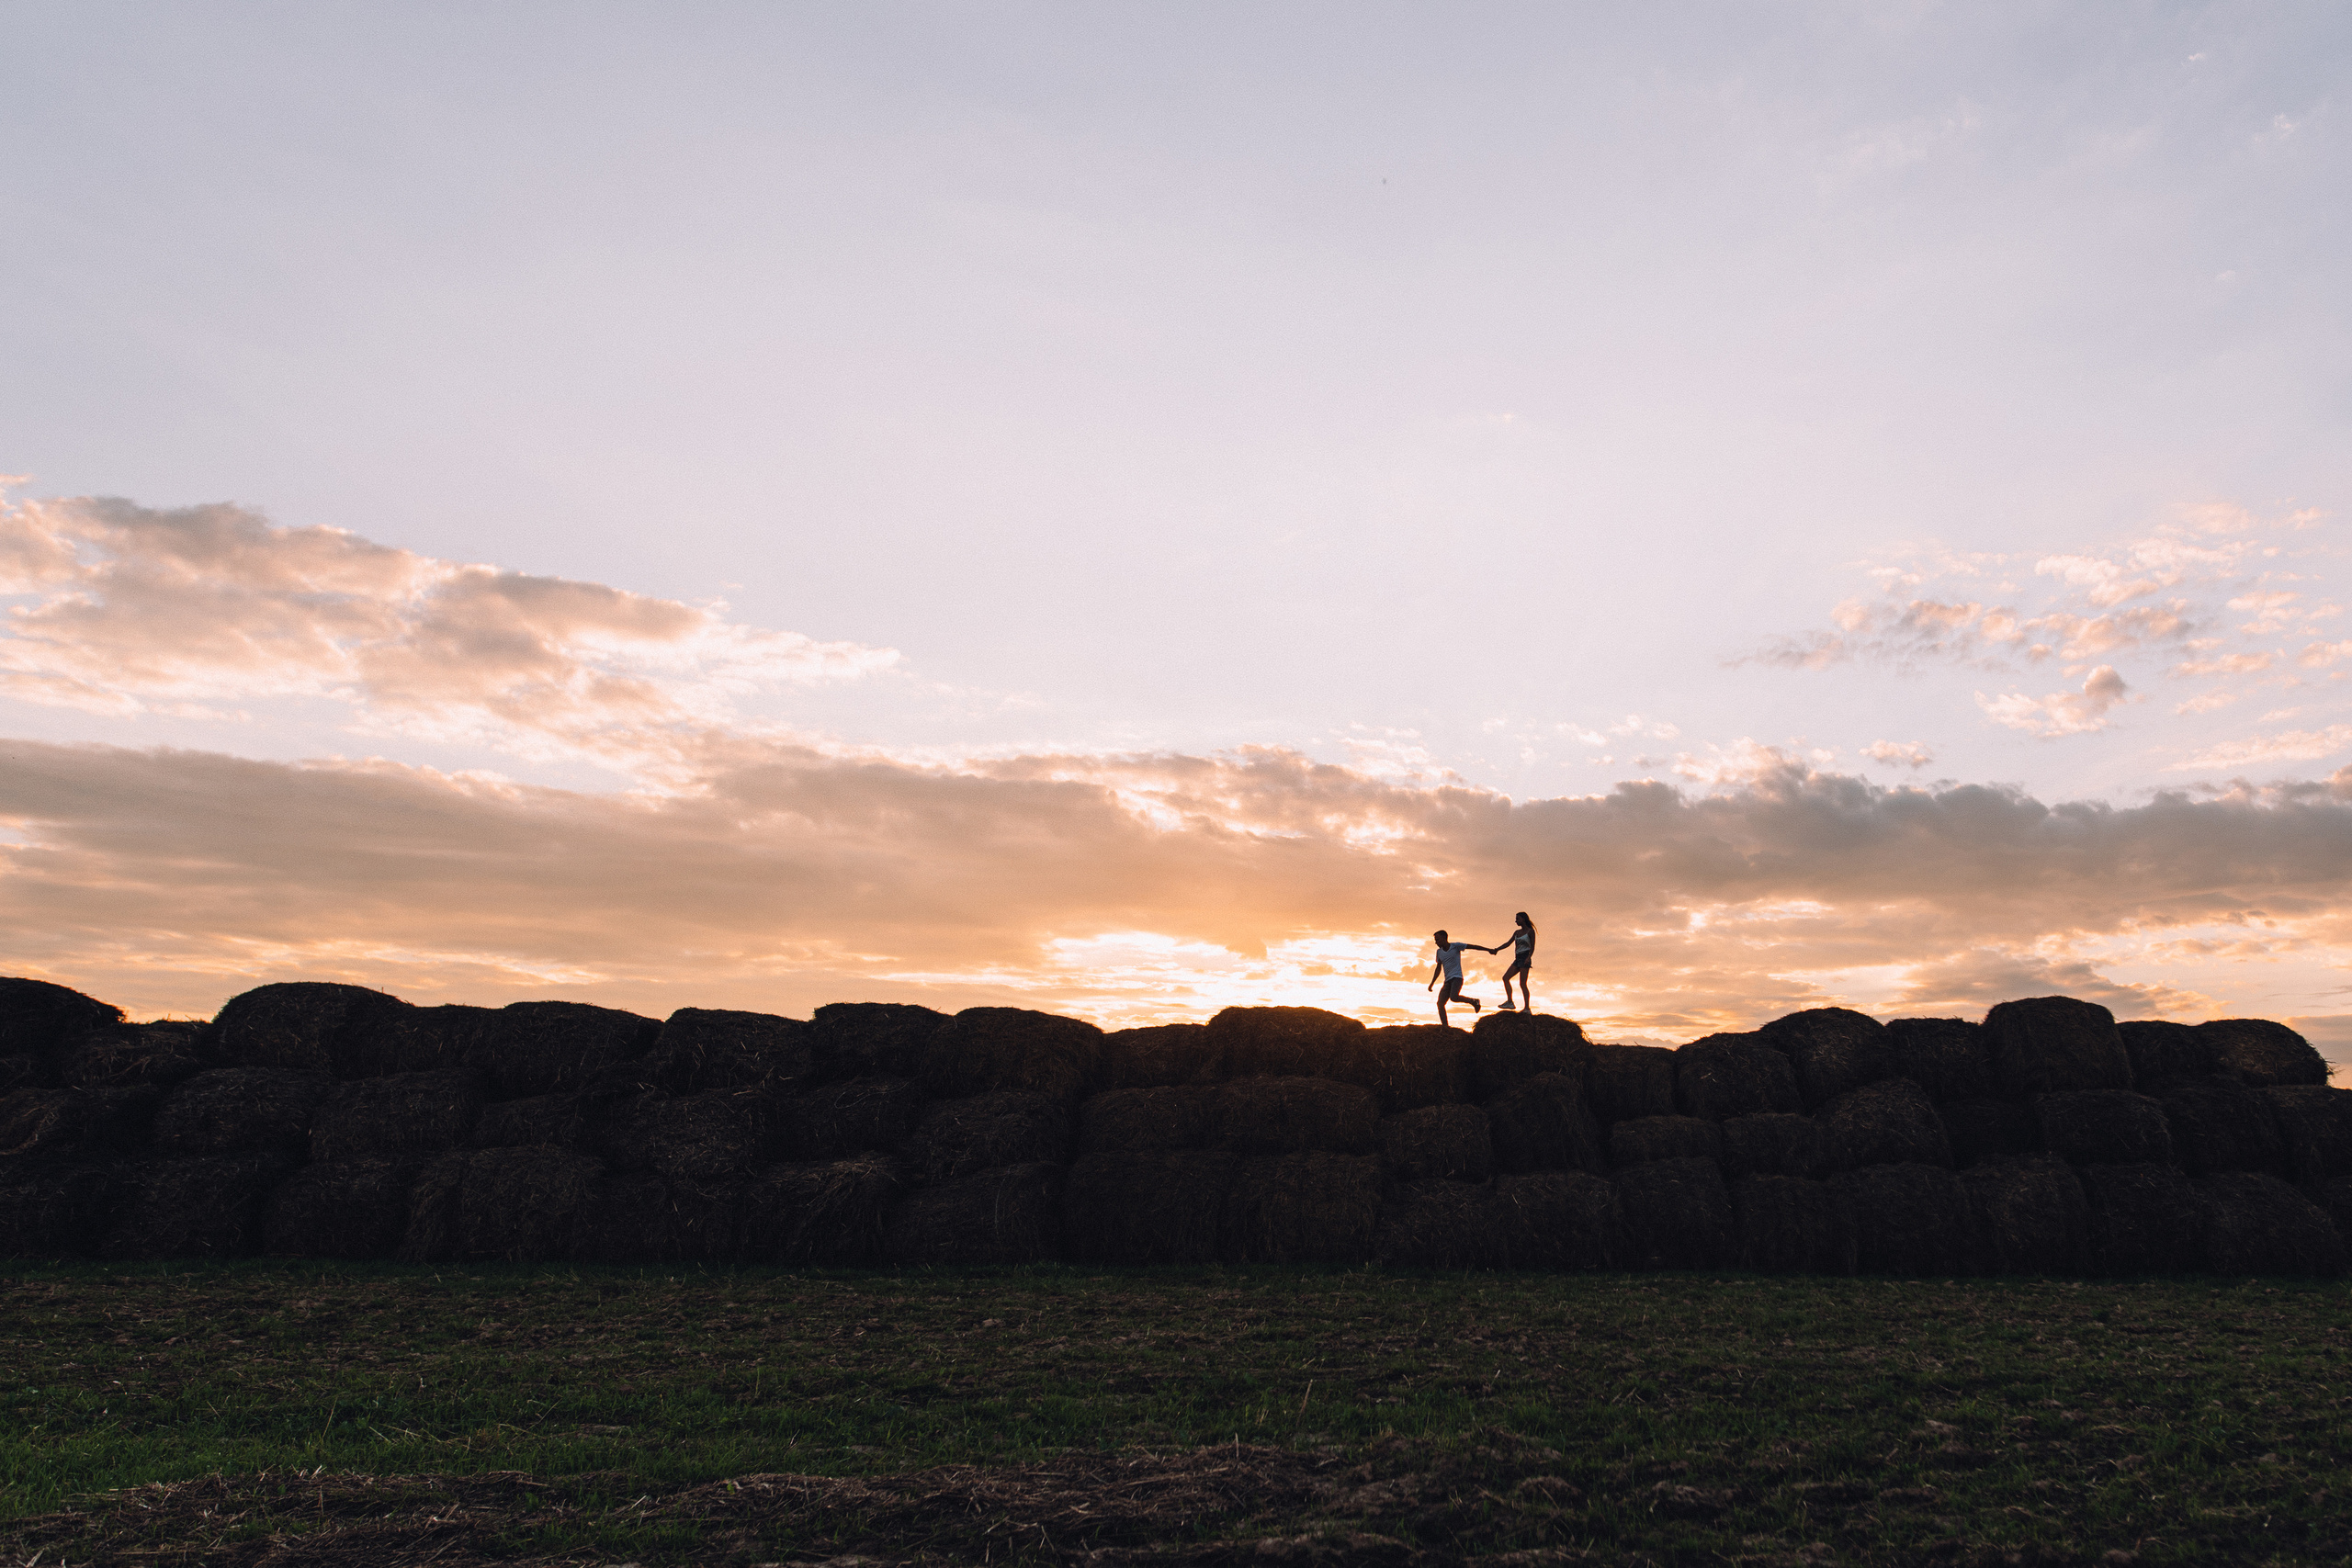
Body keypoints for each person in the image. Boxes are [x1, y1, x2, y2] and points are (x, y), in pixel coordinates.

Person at [1425, 929, 1490, 1027]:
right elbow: (1438, 968)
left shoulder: (1456, 946)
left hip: (1457, 978)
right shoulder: (1439, 952)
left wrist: (1488, 950)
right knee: (1440, 1003)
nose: (1436, 942)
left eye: (1437, 940)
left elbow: (1473, 947)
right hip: (1447, 981)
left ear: (1444, 938)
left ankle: (1474, 1001)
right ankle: (1445, 1026)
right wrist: (1432, 983)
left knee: (1454, 997)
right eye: (1435, 940)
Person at [1491, 911, 1536, 1012]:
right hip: (1518, 958)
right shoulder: (1517, 932)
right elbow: (1508, 943)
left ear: (1523, 919)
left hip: (1525, 957)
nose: (1516, 921)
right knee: (1505, 978)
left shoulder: (1530, 931)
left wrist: (1528, 957)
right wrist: (1497, 949)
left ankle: (1527, 1008)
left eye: (1517, 919)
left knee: (1522, 984)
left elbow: (1533, 947)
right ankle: (1510, 1002)